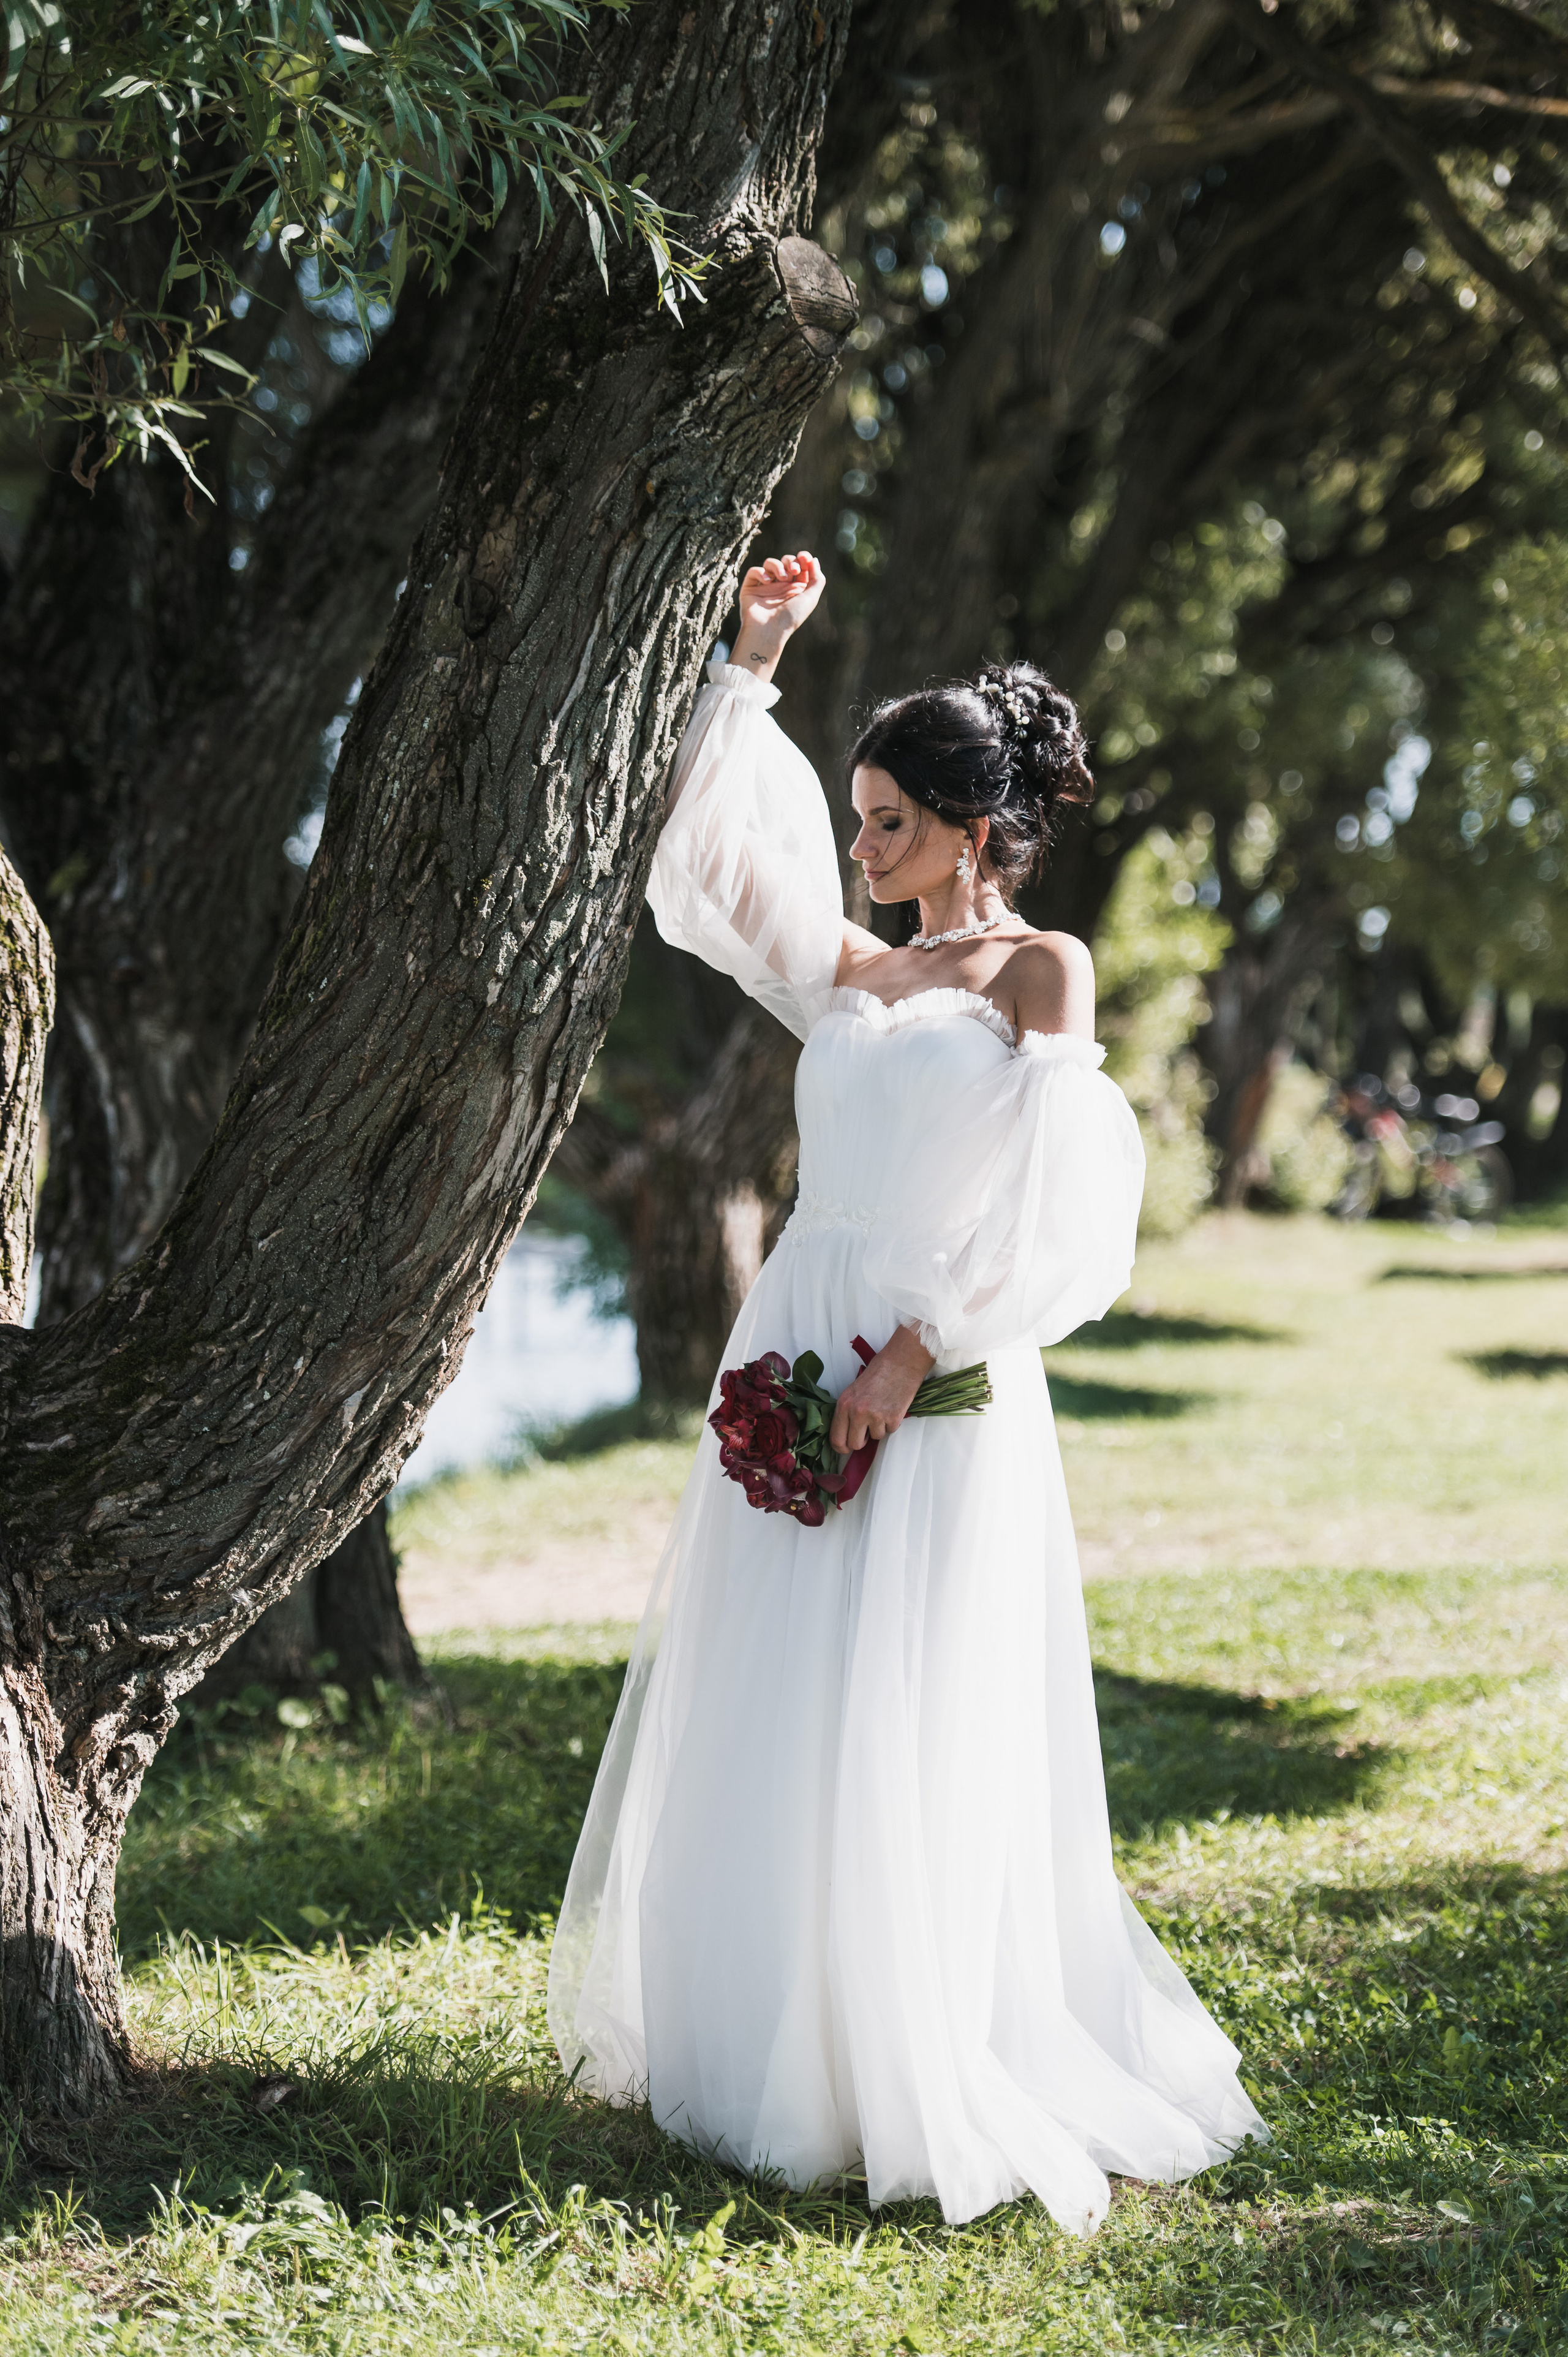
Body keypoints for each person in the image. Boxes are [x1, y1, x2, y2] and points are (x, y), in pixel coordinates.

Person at [547, 551, 1265, 2233]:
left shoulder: (1041, 977)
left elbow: (1066, 1206)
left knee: (914, 1691)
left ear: (967, 824)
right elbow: (717, 871)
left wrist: (920, 1346)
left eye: (885, 822)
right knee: (781, 1680)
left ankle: (910, 2048)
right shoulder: (850, 976)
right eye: (856, 819)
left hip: (930, 1370)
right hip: (793, 1332)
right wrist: (753, 670)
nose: (859, 850)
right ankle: (772, 2044)